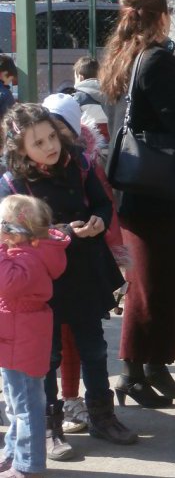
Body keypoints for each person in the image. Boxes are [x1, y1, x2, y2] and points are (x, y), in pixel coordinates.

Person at [0, 104, 136, 461]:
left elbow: (104, 204)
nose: (49, 146)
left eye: (50, 136)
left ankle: (102, 416)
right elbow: (13, 233)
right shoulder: (12, 182)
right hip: (43, 280)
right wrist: (63, 233)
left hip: (87, 272)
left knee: (94, 347)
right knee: (47, 356)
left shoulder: (79, 161)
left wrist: (97, 221)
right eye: (37, 142)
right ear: (19, 149)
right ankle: (49, 427)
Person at [99, 0, 175, 409]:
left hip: (137, 187)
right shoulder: (157, 59)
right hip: (157, 187)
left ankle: (157, 364)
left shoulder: (121, 57)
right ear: (162, 16)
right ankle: (130, 372)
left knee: (161, 280)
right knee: (149, 285)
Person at [0, 195, 69, 478]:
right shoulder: (28, 253)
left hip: (22, 341)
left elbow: (8, 284)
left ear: (15, 231)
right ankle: (13, 453)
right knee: (17, 404)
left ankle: (29, 464)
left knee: (27, 406)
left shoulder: (28, 257)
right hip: (18, 337)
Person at [71, 57, 112, 151]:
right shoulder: (110, 95)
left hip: (89, 146)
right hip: (110, 144)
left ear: (80, 77)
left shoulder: (77, 98)